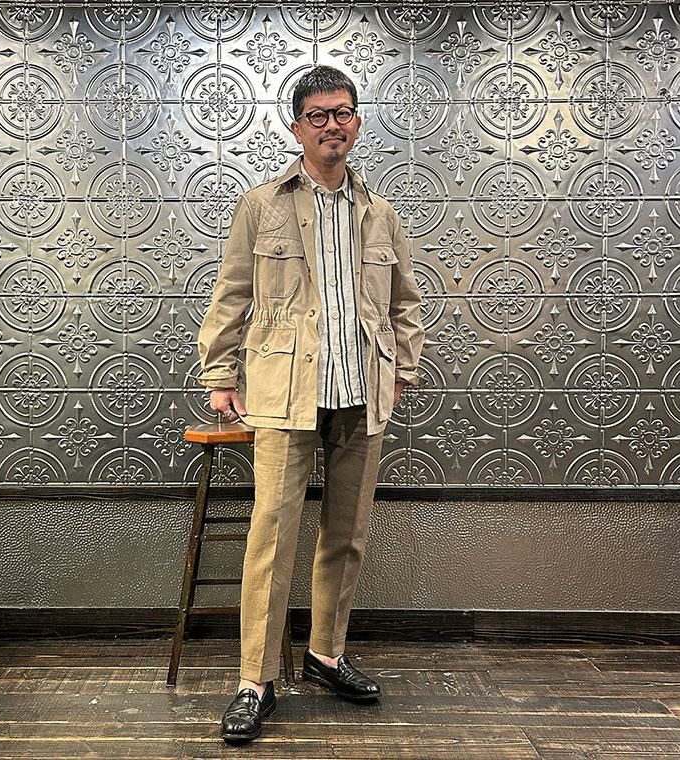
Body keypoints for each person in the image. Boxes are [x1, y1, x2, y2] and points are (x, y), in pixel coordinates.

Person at [197, 64, 424, 744]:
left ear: (357, 122)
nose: (332, 125)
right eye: (318, 115)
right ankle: (256, 680)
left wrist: (401, 369)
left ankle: (326, 656)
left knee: (347, 535)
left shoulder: (379, 213)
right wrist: (220, 371)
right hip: (284, 394)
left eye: (343, 113)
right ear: (297, 127)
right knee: (272, 536)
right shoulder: (261, 205)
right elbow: (232, 293)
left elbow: (405, 303)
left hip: (361, 394)